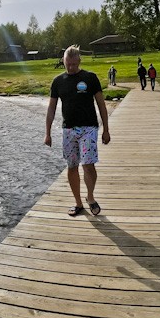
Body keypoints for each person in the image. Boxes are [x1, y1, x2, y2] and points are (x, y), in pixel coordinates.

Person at [45, 45, 111, 217]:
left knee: (88, 164)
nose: (72, 67)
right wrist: (48, 133)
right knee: (72, 166)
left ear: (79, 61)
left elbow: (101, 105)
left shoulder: (90, 78)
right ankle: (78, 203)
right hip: (68, 130)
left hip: (89, 128)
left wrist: (106, 130)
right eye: (68, 64)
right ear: (64, 61)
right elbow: (51, 109)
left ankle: (90, 196)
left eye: (74, 64)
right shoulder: (58, 81)